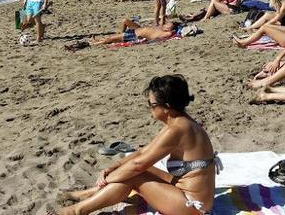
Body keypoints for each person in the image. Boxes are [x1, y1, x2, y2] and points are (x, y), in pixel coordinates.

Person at [51, 75, 217, 215]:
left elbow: (138, 166)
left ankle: (77, 211)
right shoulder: (180, 123)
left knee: (134, 174)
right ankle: (87, 194)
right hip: (183, 191)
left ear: (166, 107)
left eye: (151, 105)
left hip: (193, 207)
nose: (149, 109)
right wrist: (114, 167)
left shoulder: (177, 130)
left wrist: (108, 180)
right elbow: (142, 152)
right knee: (128, 168)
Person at [89, 19, 181, 45]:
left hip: (135, 35)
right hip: (138, 29)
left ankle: (96, 43)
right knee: (125, 21)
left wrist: (173, 30)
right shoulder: (162, 28)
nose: (167, 25)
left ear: (171, 29)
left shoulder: (167, 33)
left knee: (111, 38)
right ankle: (120, 37)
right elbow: (163, 18)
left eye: (169, 25)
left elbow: (172, 34)